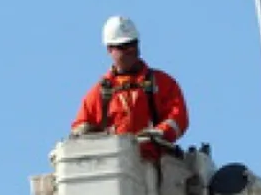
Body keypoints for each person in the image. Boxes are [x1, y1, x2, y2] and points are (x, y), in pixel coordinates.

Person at [71, 16, 189, 159]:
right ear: (109, 49)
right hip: (116, 165)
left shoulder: (162, 83)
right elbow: (79, 130)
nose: (130, 50)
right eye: (123, 46)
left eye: (133, 44)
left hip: (153, 162)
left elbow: (178, 117)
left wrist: (160, 132)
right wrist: (86, 132)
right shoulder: (100, 93)